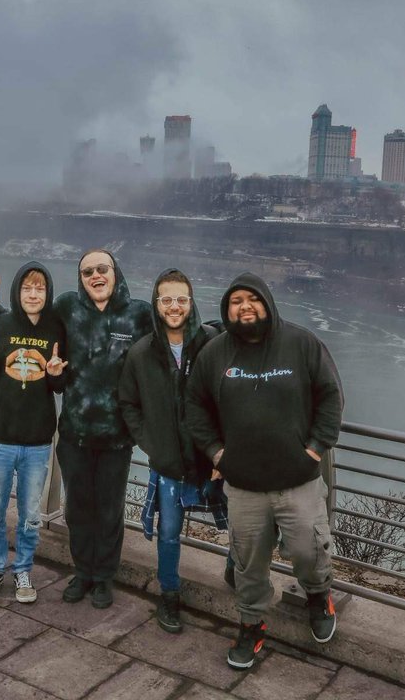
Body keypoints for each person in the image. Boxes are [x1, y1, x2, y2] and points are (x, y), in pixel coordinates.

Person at [186, 272, 344, 670]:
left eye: (251, 299)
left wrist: (313, 450)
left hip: (299, 480)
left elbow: (331, 396)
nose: (244, 307)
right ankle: (252, 624)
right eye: (236, 301)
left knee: (309, 551)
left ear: (267, 303)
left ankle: (317, 595)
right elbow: (195, 407)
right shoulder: (216, 353)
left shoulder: (302, 343)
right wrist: (218, 455)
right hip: (244, 486)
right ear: (227, 308)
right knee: (248, 562)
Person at [0, 248, 150, 608]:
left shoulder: (138, 314)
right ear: (81, 279)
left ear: (115, 273)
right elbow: (30, 319)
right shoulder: (69, 308)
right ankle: (83, 572)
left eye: (102, 269)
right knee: (77, 509)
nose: (95, 276)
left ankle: (104, 577)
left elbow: (173, 334)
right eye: (87, 271)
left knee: (109, 509)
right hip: (74, 431)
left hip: (117, 437)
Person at [119, 268, 228, 634]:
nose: (174, 306)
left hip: (212, 459)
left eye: (181, 299)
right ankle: (169, 595)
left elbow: (230, 400)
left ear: (191, 302)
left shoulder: (212, 345)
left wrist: (222, 453)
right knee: (168, 534)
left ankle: (237, 573)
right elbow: (129, 404)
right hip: (167, 462)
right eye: (166, 299)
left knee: (242, 529)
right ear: (156, 303)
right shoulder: (141, 353)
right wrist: (151, 443)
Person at [0, 261, 67, 604]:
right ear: (18, 292)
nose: (34, 294)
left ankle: (23, 569)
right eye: (28, 288)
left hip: (38, 441)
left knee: (30, 517)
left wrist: (55, 372)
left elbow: (59, 383)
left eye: (40, 288)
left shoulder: (56, 329)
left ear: (48, 293)